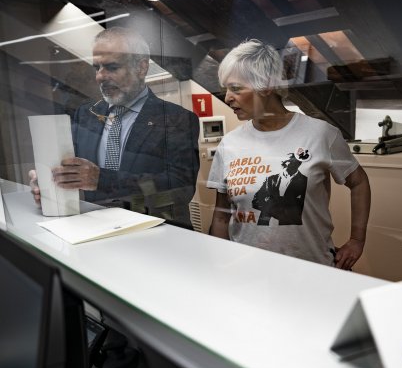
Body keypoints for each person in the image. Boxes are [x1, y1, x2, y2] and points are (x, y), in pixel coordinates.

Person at [207, 39, 370, 269]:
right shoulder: (230, 144)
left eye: (236, 88)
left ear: (266, 85)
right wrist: (219, 265)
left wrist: (357, 240)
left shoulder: (320, 134)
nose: (227, 98)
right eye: (226, 89)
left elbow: (359, 182)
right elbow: (222, 216)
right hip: (247, 272)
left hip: (310, 269)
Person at [29, 27, 200, 227]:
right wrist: (48, 181)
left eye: (111, 67)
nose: (100, 76)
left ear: (142, 68)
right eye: (97, 68)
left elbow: (180, 187)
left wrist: (101, 179)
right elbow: (72, 168)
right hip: (94, 231)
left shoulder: (176, 118)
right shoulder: (86, 114)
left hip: (157, 234)